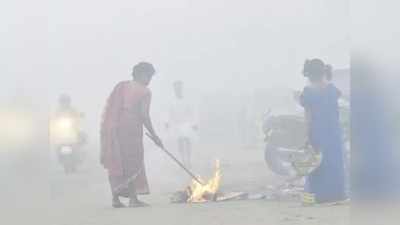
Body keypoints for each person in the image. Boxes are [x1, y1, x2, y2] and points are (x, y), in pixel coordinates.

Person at [100, 62, 163, 208]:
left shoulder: (121, 86)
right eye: (149, 76)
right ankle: (133, 199)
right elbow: (144, 115)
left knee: (116, 160)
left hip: (114, 128)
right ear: (142, 74)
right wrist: (155, 135)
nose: (149, 80)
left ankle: (115, 199)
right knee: (132, 162)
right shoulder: (145, 91)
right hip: (131, 130)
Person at [300, 59, 346, 203]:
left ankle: (318, 196)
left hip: (317, 132)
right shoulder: (333, 90)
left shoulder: (307, 92)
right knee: (334, 163)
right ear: (323, 72)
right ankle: (337, 195)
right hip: (333, 132)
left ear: (309, 75)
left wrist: (307, 136)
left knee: (316, 165)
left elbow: (308, 118)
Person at [166, 81, 198, 168]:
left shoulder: (187, 100)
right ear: (174, 90)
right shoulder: (172, 101)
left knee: (187, 141)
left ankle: (188, 160)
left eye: (179, 88)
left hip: (186, 124)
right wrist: (168, 123)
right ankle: (183, 161)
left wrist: (194, 123)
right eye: (176, 88)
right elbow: (170, 113)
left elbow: (191, 112)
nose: (178, 90)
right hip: (177, 125)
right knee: (180, 142)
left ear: (181, 88)